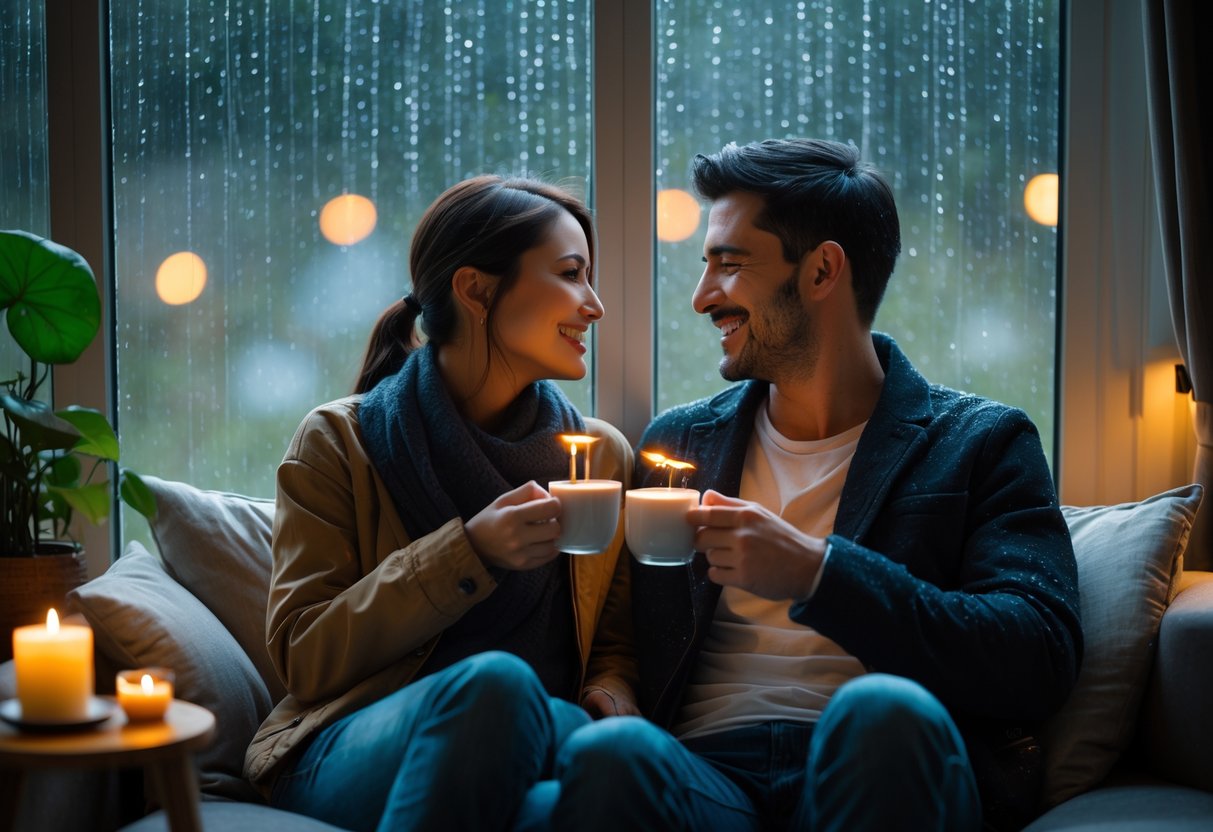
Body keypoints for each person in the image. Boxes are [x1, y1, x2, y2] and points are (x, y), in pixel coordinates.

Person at [551, 139, 1082, 832]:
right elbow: (619, 635)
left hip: (877, 763)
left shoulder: (980, 443)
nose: (702, 295)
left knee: (882, 713)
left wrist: (818, 573)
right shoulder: (678, 445)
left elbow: (1036, 654)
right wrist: (611, 691)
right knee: (612, 754)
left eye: (729, 263)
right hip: (707, 775)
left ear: (822, 270)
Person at [243, 175, 635, 832]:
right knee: (495, 686)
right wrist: (468, 551)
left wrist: (611, 696)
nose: (593, 304)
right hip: (348, 747)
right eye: (571, 275)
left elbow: (614, 645)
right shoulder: (340, 441)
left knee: (570, 788)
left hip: (538, 740)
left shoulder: (598, 459)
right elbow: (304, 658)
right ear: (476, 290)